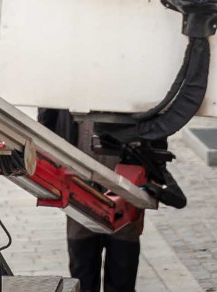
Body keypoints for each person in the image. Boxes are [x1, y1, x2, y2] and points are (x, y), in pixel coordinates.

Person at [38, 109, 140, 292]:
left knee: (123, 257)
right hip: (78, 158)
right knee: (82, 260)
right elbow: (48, 106)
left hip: (125, 157)